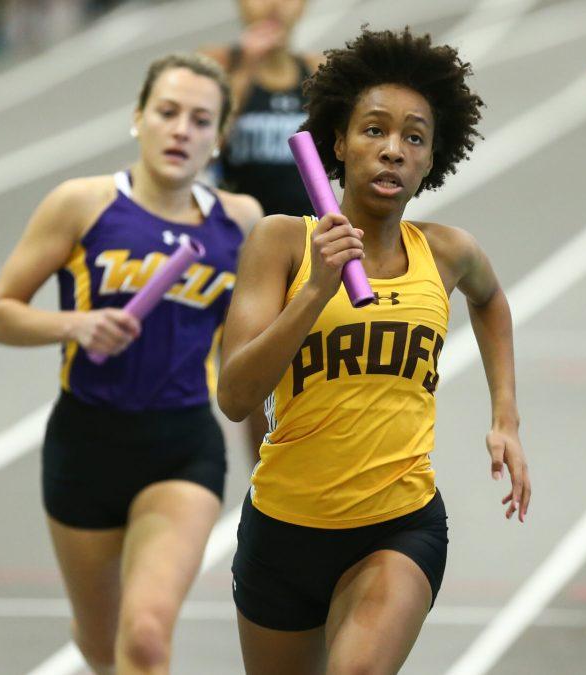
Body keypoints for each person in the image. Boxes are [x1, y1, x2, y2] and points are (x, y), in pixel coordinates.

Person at [216, 27, 532, 674]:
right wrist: (313, 293)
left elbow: (492, 302)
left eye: (413, 137)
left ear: (431, 158)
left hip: (398, 525)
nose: (392, 150)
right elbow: (235, 394)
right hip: (282, 530)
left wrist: (506, 417)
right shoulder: (280, 244)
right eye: (374, 131)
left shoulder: (446, 252)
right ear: (338, 141)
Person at [0, 53, 261, 674]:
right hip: (85, 446)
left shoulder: (240, 222)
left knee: (145, 636)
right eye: (167, 113)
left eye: (199, 120)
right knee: (101, 644)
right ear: (139, 119)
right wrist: (73, 324)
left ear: (218, 138)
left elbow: (255, 344)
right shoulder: (81, 205)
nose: (180, 130)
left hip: (182, 446)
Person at [201, 0, 324, 464]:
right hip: (236, 256)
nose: (272, 5)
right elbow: (203, 143)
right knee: (250, 388)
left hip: (305, 254)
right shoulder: (217, 64)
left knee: (311, 379)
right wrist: (246, 69)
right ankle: (267, 489)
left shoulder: (317, 72)